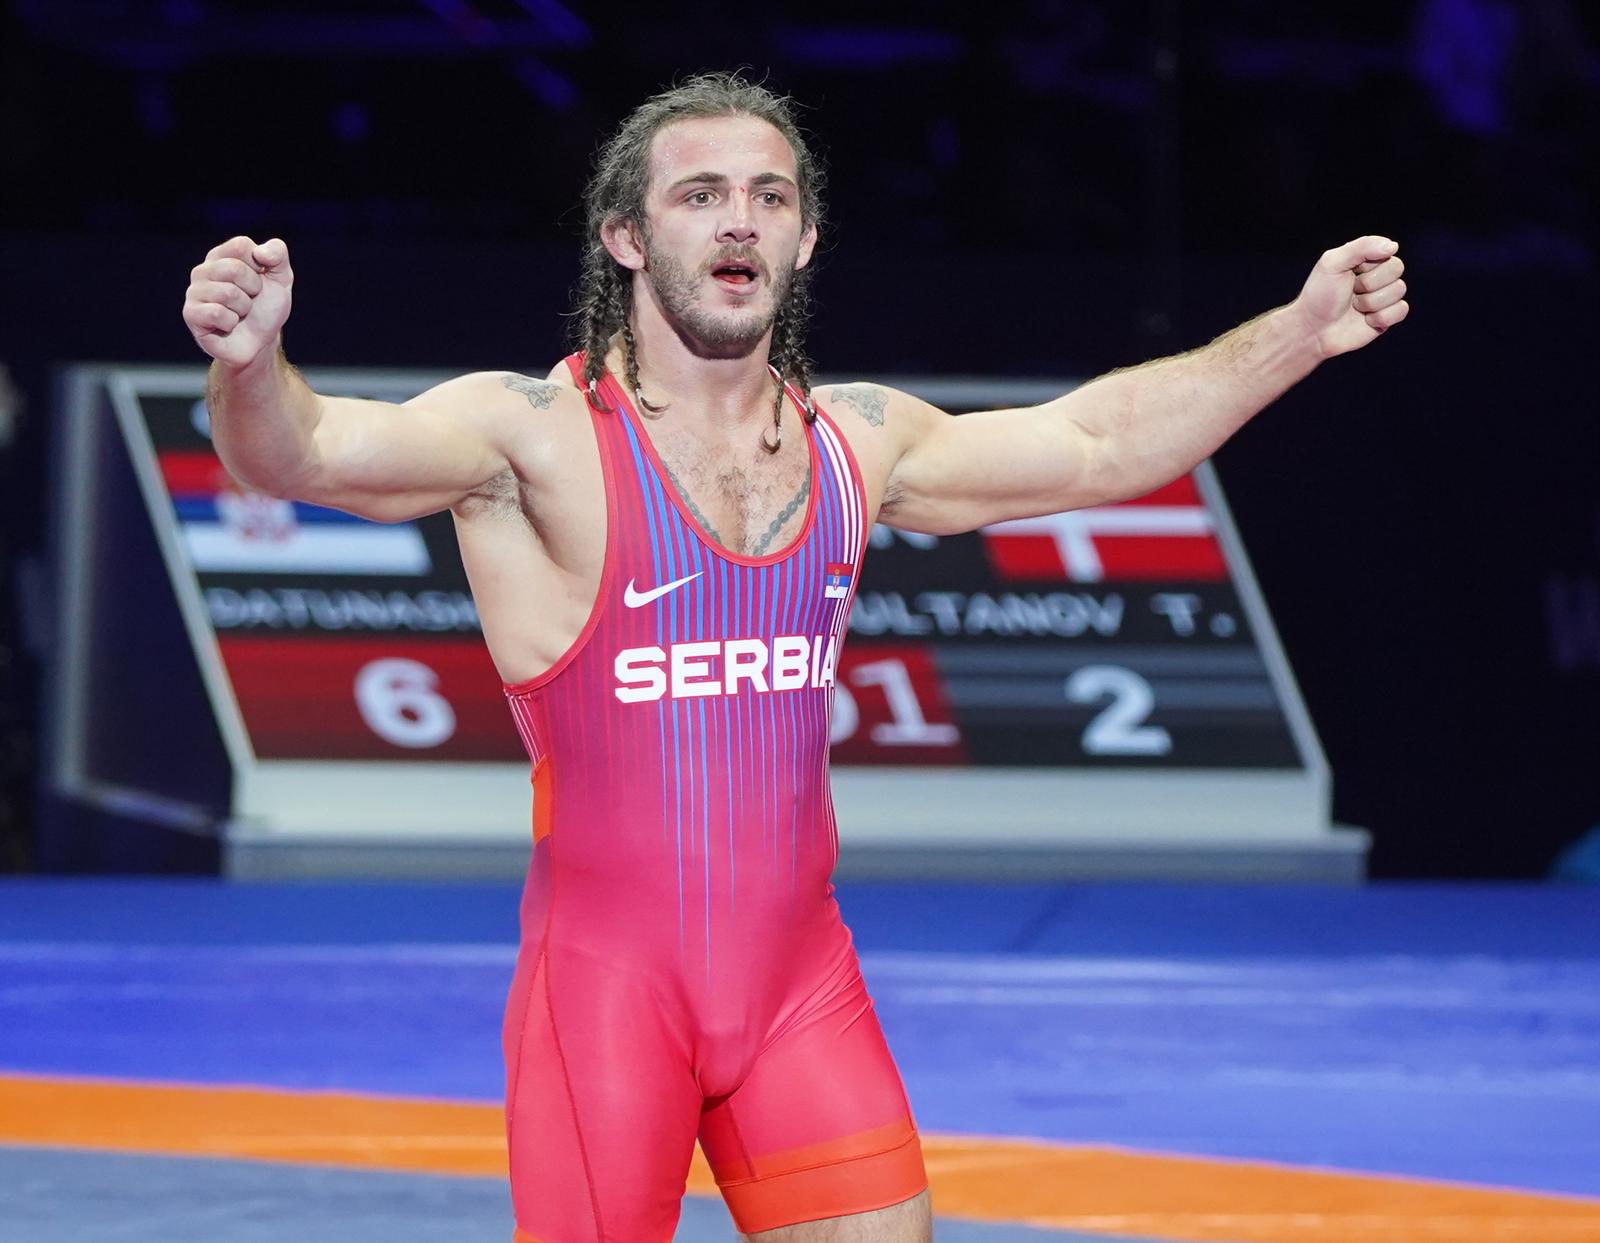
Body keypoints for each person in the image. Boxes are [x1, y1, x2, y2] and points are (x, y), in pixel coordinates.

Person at [181, 72, 1408, 1243]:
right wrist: (249, 369)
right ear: (623, 237)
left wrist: (1295, 334)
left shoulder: (858, 443)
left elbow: (1090, 446)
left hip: (799, 995)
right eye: (699, 193)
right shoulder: (532, 436)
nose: (740, 220)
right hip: (606, 1001)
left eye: (770, 197)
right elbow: (313, 453)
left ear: (805, 239)